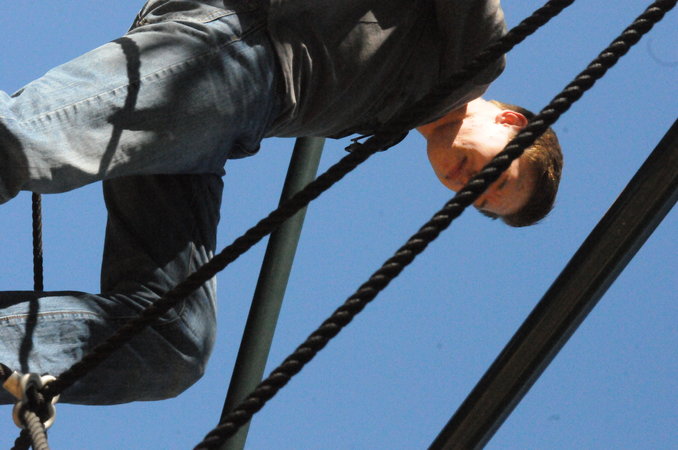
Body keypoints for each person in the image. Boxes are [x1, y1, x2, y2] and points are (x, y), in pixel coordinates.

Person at [0, 0, 562, 405]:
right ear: (512, 122)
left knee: (173, 341)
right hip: (236, 51)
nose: (469, 185)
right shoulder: (480, 57)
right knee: (21, 144)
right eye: (496, 174)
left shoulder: (400, 113)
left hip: (225, 123)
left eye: (477, 200)